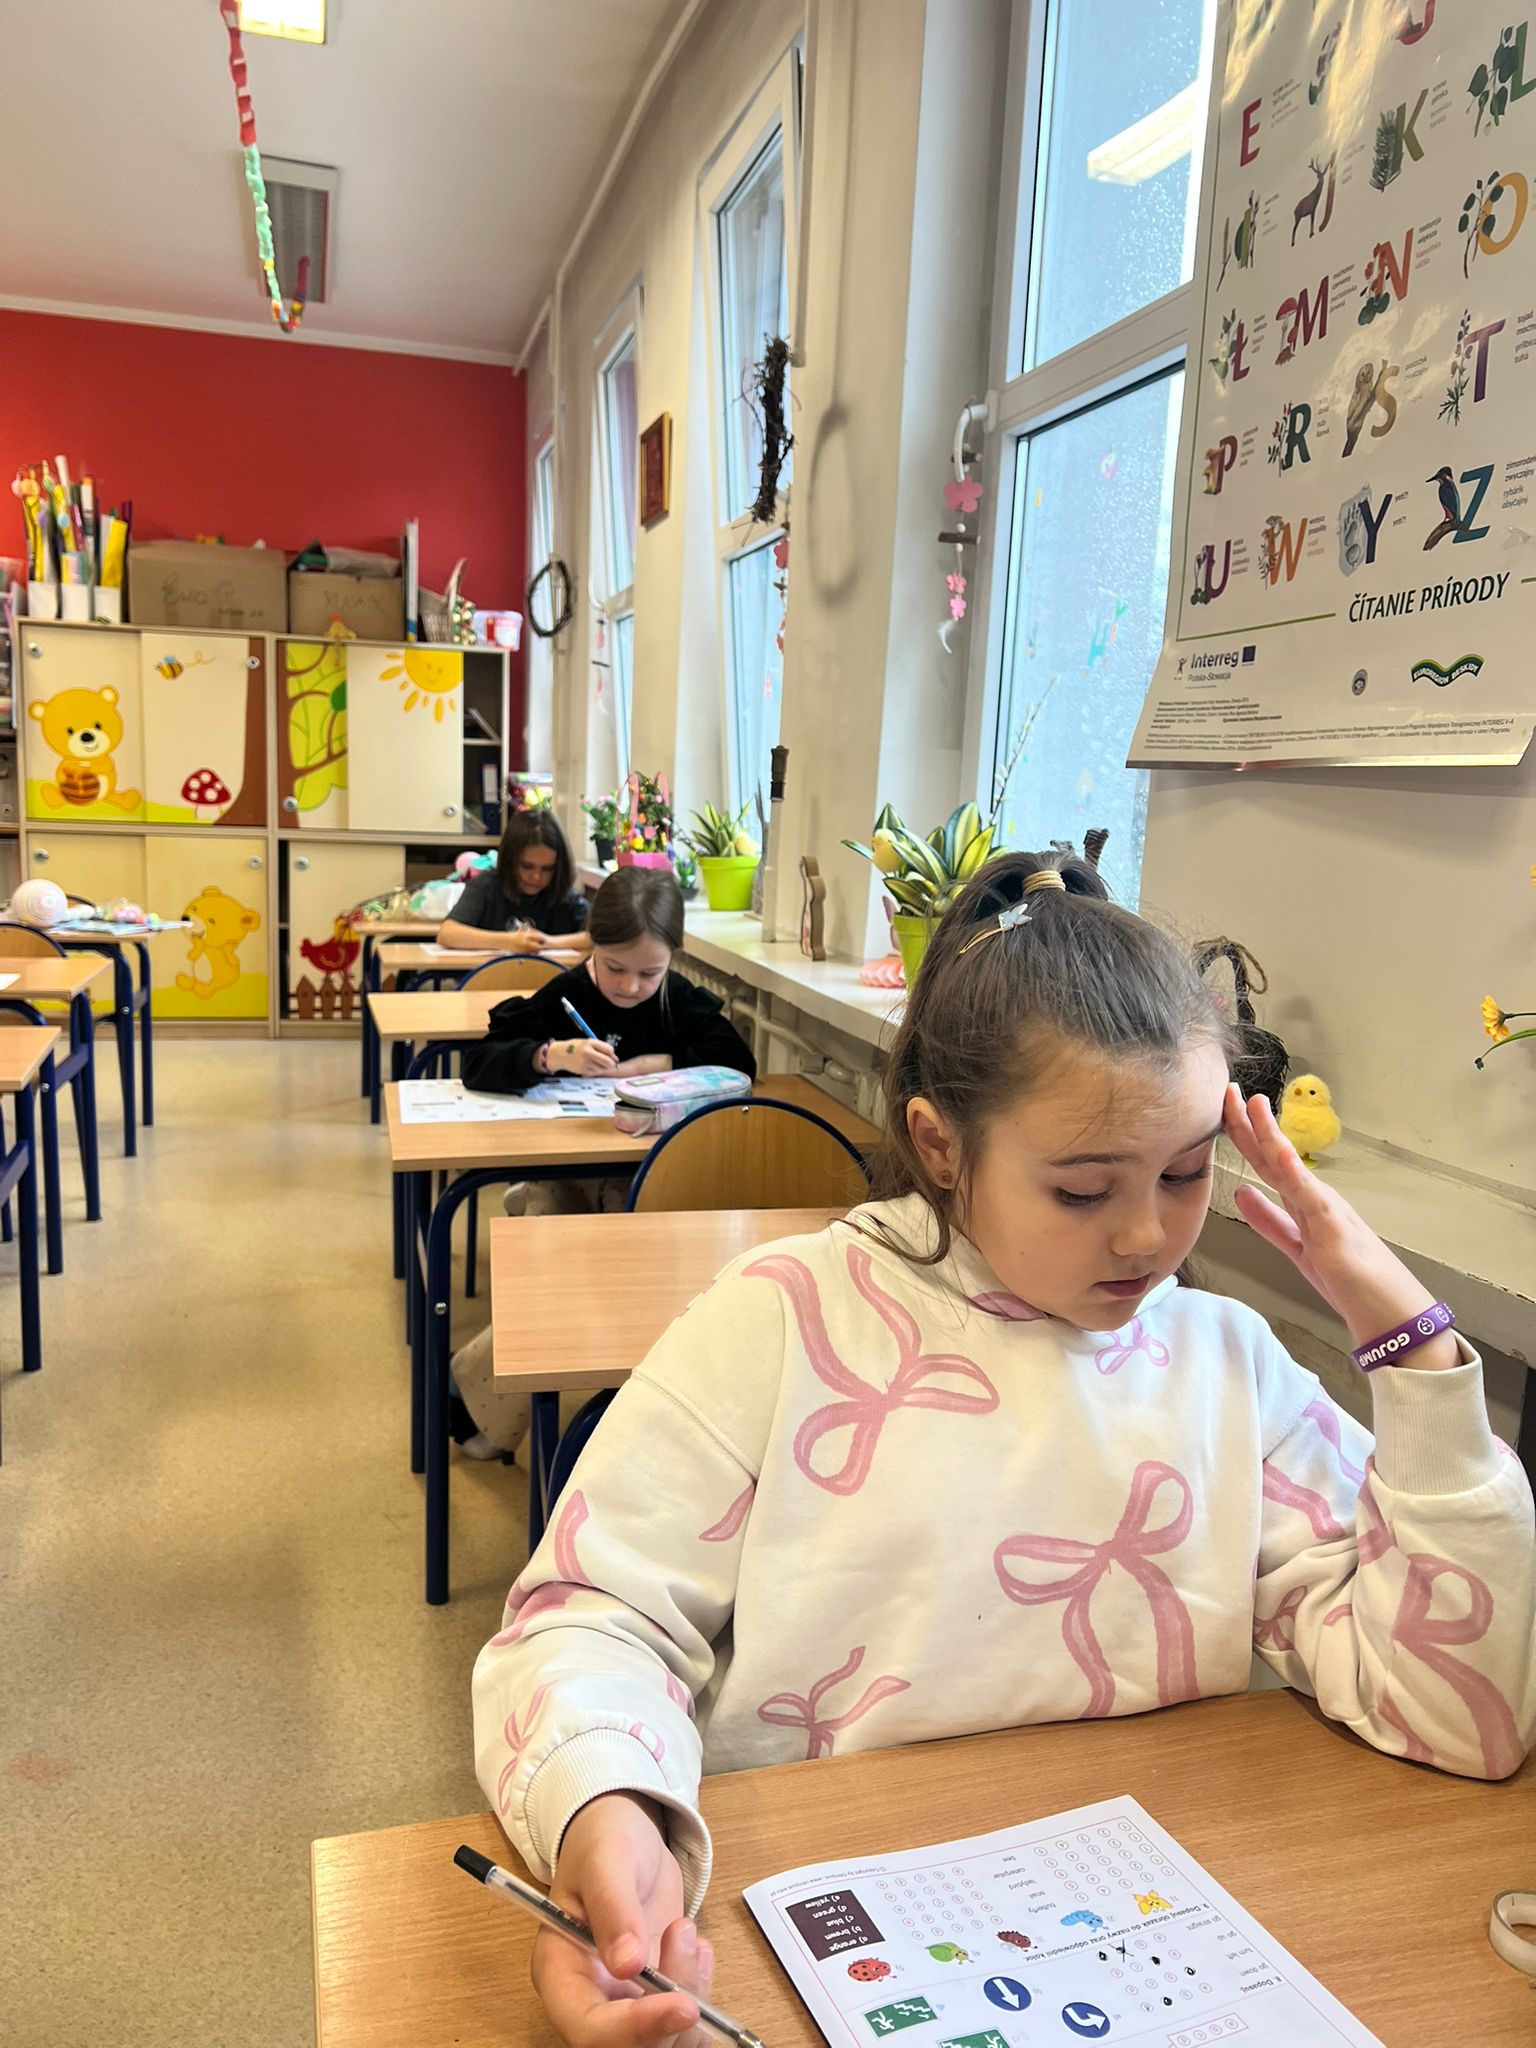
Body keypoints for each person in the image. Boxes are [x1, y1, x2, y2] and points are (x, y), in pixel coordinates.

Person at [471, 849, 1536, 2046]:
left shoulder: (1225, 1364)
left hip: (1122, 1941)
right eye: (1083, 1190)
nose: (1147, 1236)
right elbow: (587, 1619)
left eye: (1188, 1170)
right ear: (938, 1144)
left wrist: (1417, 1350)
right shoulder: (780, 1320)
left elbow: (1460, 1719)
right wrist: (606, 1811)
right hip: (811, 1943)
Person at [449, 864, 756, 1460]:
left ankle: (640, 1407)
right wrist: (551, 1055)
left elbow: (736, 1061)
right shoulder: (564, 996)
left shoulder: (676, 1000)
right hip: (566, 1174)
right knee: (563, 1274)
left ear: (672, 959)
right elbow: (480, 1063)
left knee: (642, 1271)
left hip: (651, 1175)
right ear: (592, 945)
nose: (632, 986)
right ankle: (485, 1399)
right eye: (615, 967)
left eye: (650, 972)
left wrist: (653, 1064)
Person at [437, 808, 591, 956]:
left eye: (547, 869)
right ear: (510, 860)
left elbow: (600, 935)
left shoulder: (564, 894)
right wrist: (509, 941)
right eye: (527, 866)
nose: (536, 877)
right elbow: (447, 933)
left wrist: (547, 942)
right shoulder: (486, 886)